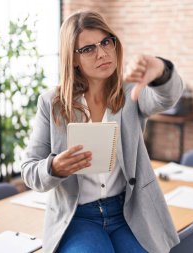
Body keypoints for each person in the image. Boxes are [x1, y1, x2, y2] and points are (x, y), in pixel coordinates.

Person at [21, 10, 184, 253]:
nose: (102, 53)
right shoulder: (52, 103)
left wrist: (161, 70)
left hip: (130, 211)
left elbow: (166, 98)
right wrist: (53, 168)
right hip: (79, 217)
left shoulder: (131, 93)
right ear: (73, 58)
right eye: (88, 49)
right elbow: (29, 170)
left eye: (106, 42)